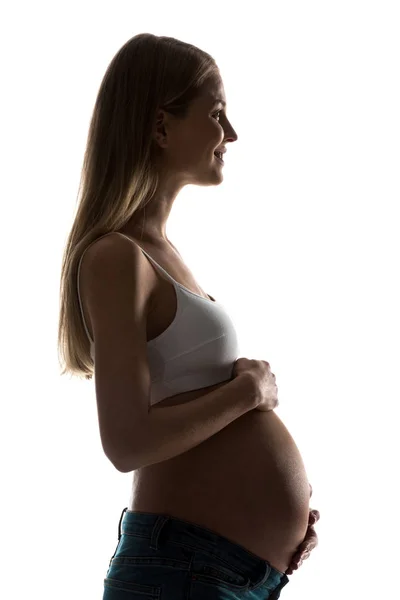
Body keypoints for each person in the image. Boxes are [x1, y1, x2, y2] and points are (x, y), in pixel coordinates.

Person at [58, 33, 319, 599]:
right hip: (180, 574)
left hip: (225, 575)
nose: (231, 134)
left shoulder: (160, 254)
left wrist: (277, 529)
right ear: (160, 127)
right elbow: (125, 442)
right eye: (217, 113)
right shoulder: (116, 256)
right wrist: (249, 393)